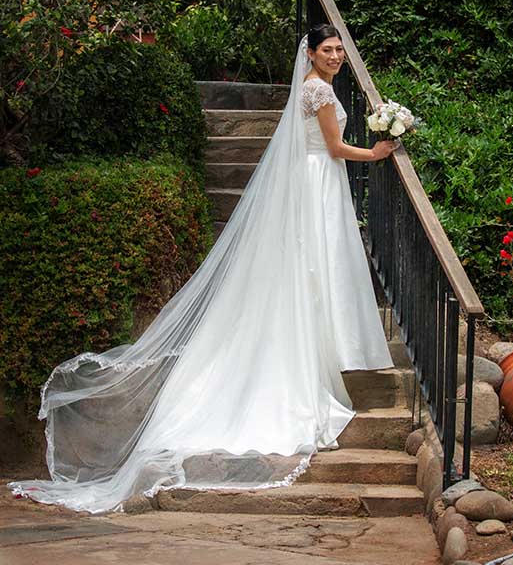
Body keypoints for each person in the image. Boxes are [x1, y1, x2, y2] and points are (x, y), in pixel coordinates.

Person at [8, 25, 397, 514]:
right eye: (328, 50)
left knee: (310, 274)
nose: (336, 57)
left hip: (314, 182)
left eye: (340, 50)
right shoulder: (318, 90)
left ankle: (314, 354)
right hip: (319, 182)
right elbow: (336, 149)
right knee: (318, 271)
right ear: (311, 55)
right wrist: (378, 153)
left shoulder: (312, 87)